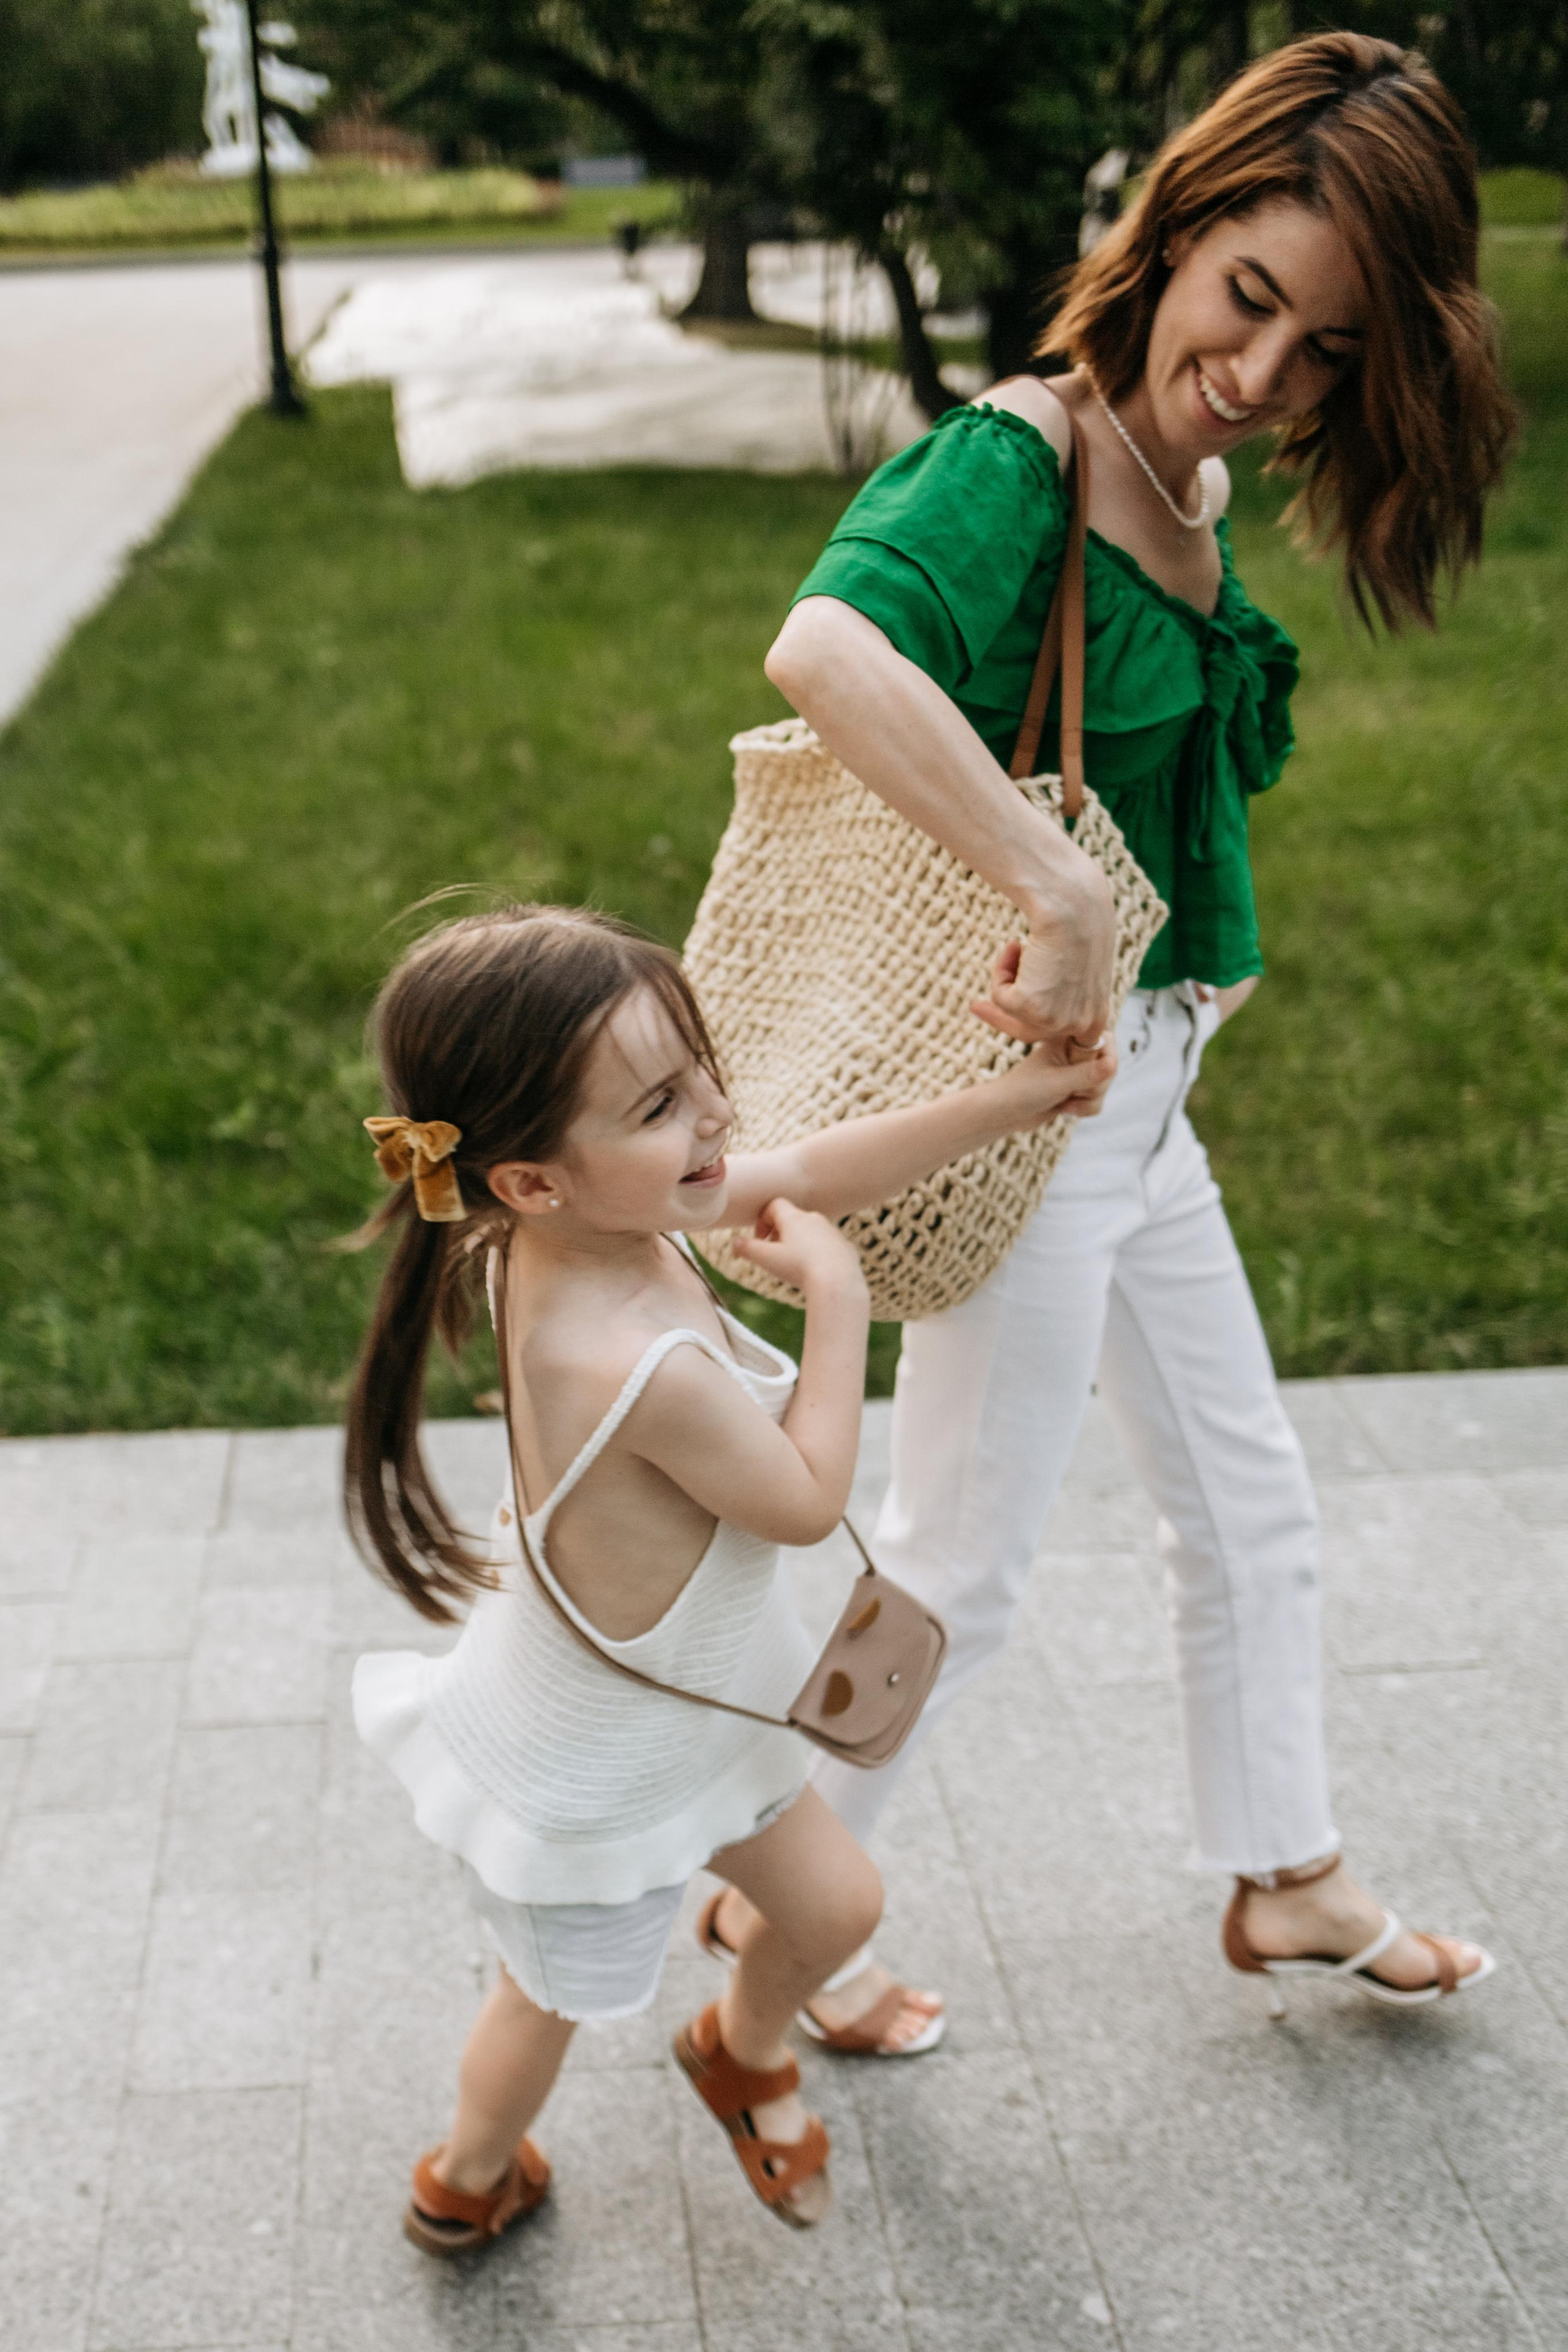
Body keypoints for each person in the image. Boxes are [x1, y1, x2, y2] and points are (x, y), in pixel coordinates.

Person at [707, 31, 1518, 2052]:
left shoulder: (1194, 477)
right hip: (1029, 1108)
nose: (1260, 371)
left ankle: (1287, 1870)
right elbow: (824, 646)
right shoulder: (1021, 459)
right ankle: (776, 1914)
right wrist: (1054, 893)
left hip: (1143, 1105)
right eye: (1249, 298)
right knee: (958, 1565)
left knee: (1250, 1508)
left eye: (1326, 350)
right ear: (1174, 225)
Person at [343, 903, 1112, 2246]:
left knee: (837, 1904)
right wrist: (837, 1302)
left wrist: (1022, 1098)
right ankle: (466, 2178)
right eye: (661, 1103)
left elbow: (813, 1165)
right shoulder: (624, 1360)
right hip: (592, 1762)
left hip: (698, 1702)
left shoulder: (585, 1217)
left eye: (702, 1073)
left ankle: (740, 2045)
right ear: (532, 1179)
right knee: (547, 2004)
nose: (713, 1119)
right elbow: (808, 1502)